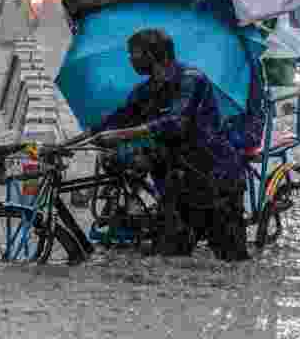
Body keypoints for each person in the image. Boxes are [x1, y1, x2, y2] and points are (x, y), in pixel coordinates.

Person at [90, 28, 251, 261]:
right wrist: (76, 141)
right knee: (169, 261)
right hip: (176, 185)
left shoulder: (191, 79)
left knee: (232, 262)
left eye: (135, 53)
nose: (131, 60)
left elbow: (176, 122)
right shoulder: (144, 91)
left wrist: (122, 135)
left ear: (155, 54)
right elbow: (117, 118)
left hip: (215, 179)